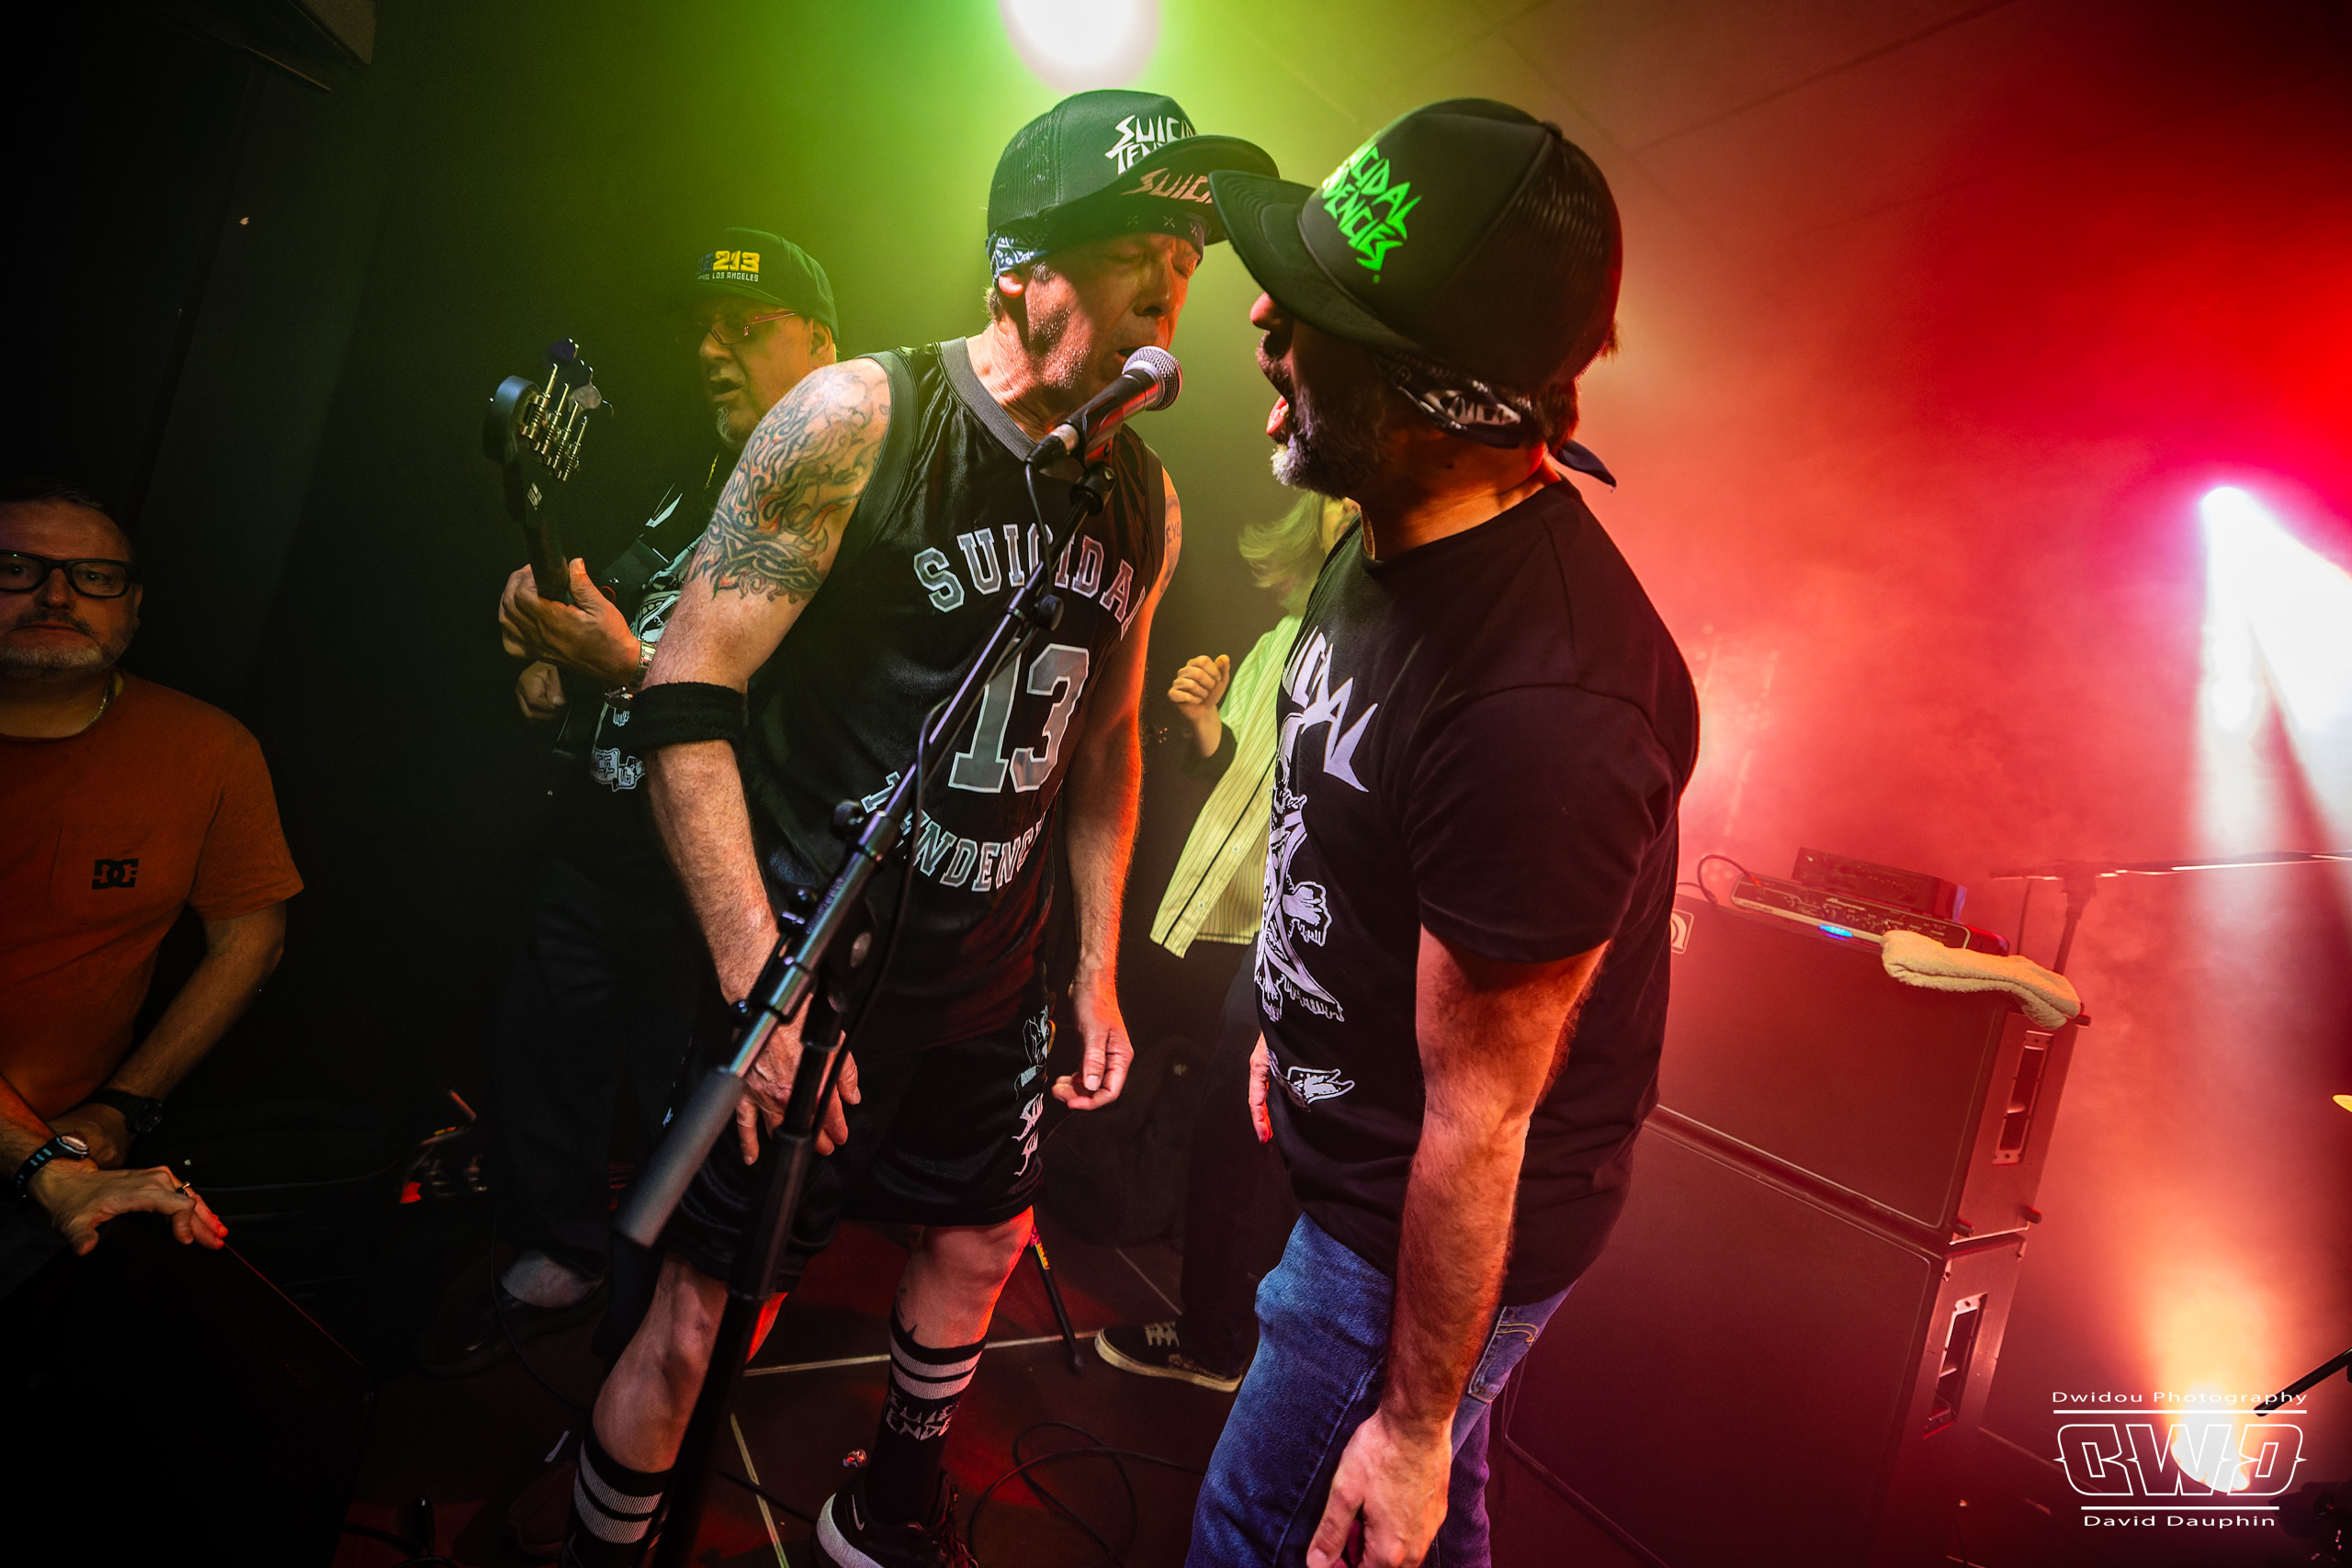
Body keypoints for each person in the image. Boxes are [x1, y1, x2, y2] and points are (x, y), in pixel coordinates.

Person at [561, 91, 1275, 1568]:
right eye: (1133, 253)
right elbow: (685, 696)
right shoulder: (857, 419)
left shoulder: (1142, 498)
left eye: (1186, 263)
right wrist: (758, 976)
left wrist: (1092, 971)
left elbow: (1104, 743)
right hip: (811, 964)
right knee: (705, 1317)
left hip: (989, 976)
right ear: (1021, 267)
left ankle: (890, 1496)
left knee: (983, 1234)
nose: (1170, 293)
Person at [1190, 102, 1699, 1568]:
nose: (1264, 322)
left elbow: (1484, 1120)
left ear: (1436, 394)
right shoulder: (1391, 519)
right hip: (1378, 1161)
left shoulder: (1546, 704)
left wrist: (1413, 1423)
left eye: (1317, 315)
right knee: (1422, 1529)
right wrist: (1296, 1019)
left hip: (1415, 1236)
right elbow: (1350, 828)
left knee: (1271, 1531)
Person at [419, 231, 843, 1386]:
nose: (712, 351)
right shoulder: (697, 475)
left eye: (745, 327)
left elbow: (793, 704)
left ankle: (657, 1318)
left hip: (710, 869)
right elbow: (633, 612)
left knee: (683, 1097)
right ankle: (558, 1252)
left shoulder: (832, 497)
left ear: (822, 346)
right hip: (596, 837)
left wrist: (620, 669)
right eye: (703, 330)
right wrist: (550, 651)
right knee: (543, 1053)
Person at [0, 480, 292, 1297]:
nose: (56, 595)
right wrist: (41, 1164)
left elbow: (251, 935)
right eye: (16, 567)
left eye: (94, 576)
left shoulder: (208, 748)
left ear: (133, 606)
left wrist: (124, 1106)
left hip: (70, 1151)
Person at [1094, 491, 1351, 1391]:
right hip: (1230, 908)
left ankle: (1222, 1339)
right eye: (1333, 497)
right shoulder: (1287, 634)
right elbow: (1233, 761)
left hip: (1302, 930)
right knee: (1224, 1124)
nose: (1345, 507)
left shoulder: (1386, 643)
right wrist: (1206, 723)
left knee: (1250, 1138)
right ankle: (1219, 1326)